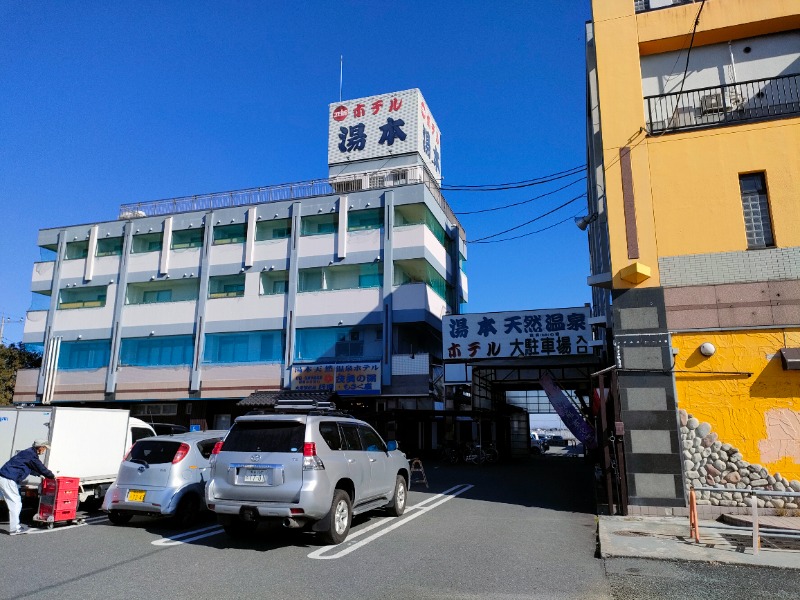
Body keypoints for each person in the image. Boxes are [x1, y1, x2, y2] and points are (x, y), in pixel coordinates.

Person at [0, 440, 55, 535]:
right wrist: (51, 476)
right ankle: (15, 528)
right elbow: (40, 467)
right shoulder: (31, 455)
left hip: (5, 477)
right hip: (8, 478)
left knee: (14, 502)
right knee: (15, 503)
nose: (44, 450)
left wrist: (39, 475)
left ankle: (15, 527)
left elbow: (29, 468)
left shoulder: (28, 453)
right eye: (44, 448)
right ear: (40, 447)